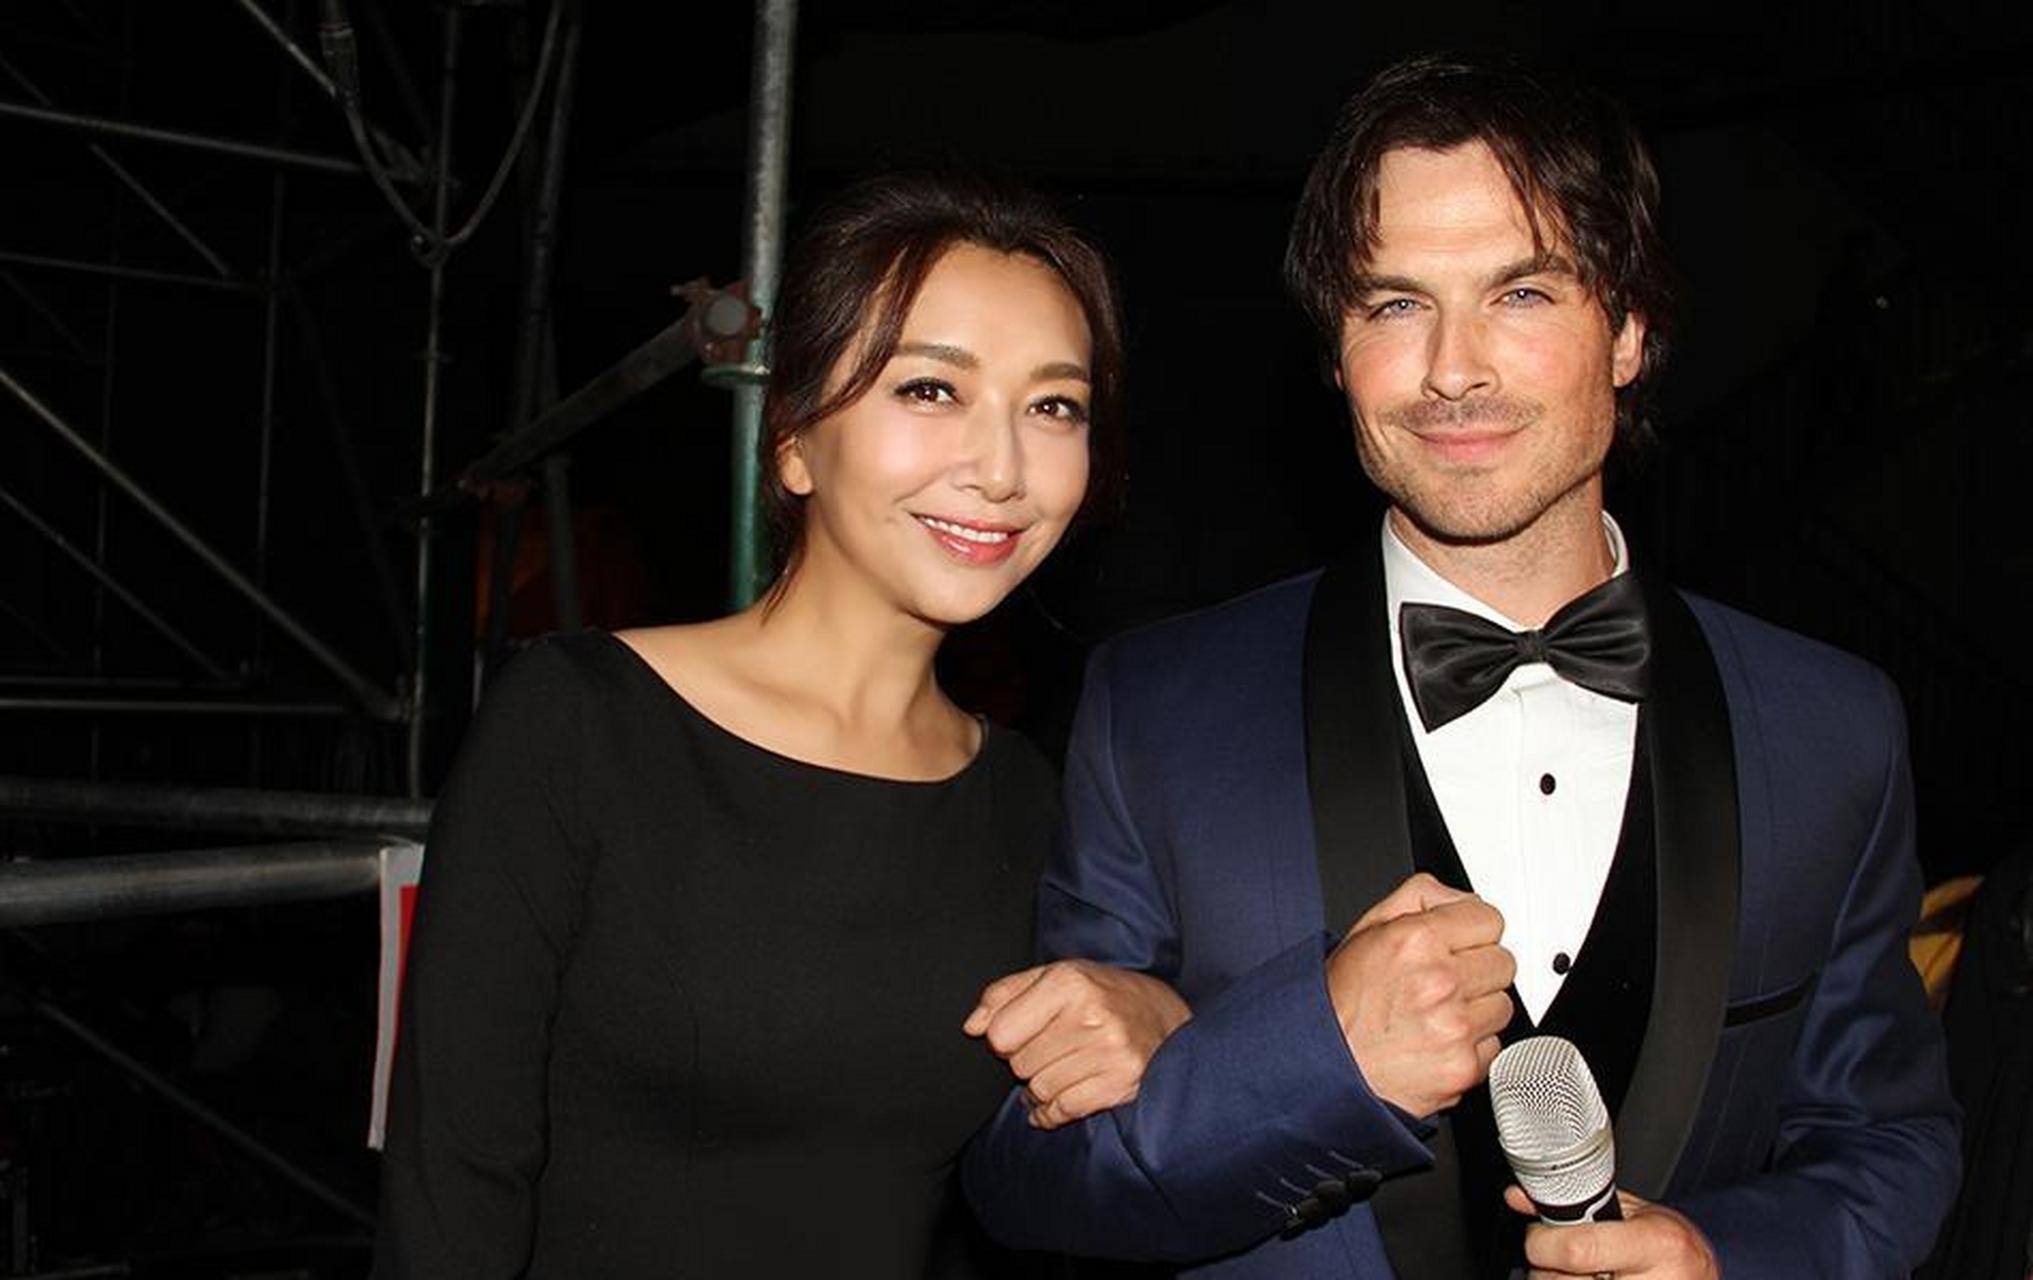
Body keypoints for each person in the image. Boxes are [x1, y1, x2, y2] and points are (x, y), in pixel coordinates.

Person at [963, 54, 1960, 1279]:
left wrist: (1722, 1256)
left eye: (1520, 293)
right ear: (1334, 351)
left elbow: (1886, 1140)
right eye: (1393, 304)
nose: (1452, 368)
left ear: (1627, 330)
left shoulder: (1831, 725)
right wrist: (1312, 1057)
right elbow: (1027, 1182)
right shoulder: (1155, 708)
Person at [371, 171, 1162, 1278]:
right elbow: (451, 1192)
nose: (1001, 470)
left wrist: (1158, 1024)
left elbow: (1044, 1185)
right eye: (930, 389)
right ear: (792, 437)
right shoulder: (578, 725)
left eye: (1053, 407)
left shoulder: (1031, 798)